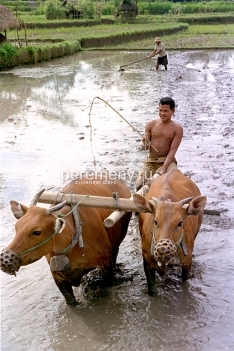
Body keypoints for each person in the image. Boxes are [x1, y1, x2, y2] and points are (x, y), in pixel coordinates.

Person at [135, 97, 183, 191]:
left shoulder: (177, 129)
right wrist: (144, 143)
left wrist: (164, 167)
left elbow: (173, 150)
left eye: (165, 111)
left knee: (173, 182)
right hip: (151, 161)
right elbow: (144, 148)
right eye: (160, 110)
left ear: (173, 111)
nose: (162, 113)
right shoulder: (151, 124)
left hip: (168, 162)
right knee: (139, 182)